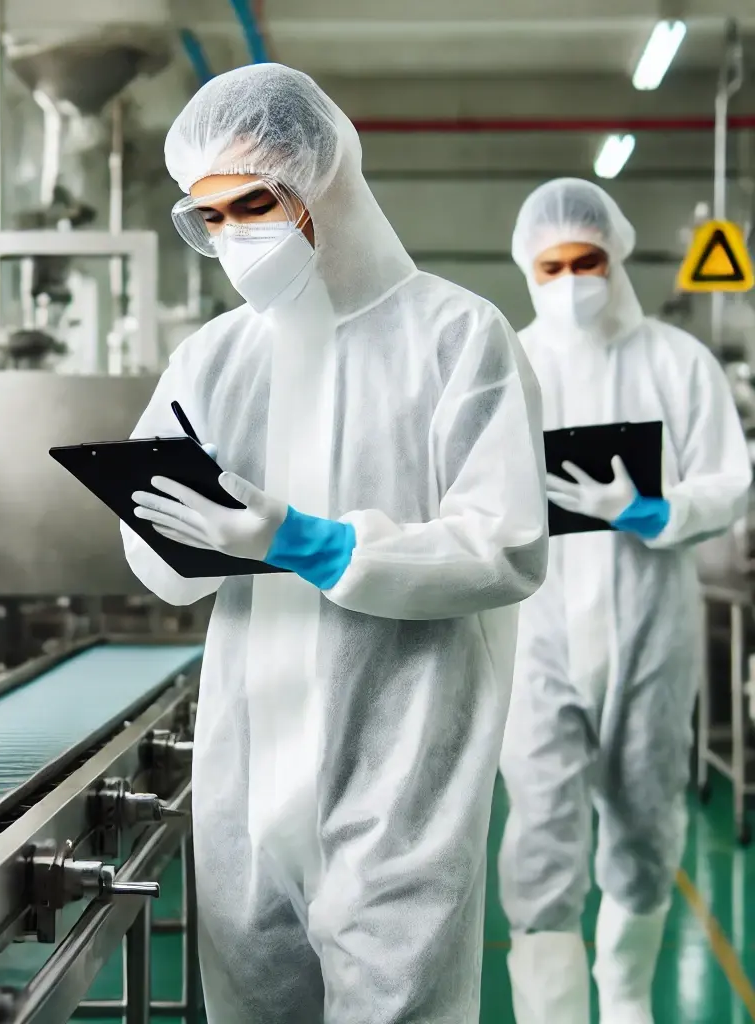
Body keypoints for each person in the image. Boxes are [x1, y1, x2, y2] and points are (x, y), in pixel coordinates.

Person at [121, 63, 548, 1023]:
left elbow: (508, 546)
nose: (235, 237)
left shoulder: (457, 338)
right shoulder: (213, 356)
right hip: (244, 782)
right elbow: (151, 552)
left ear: (325, 183)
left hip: (396, 781)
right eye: (211, 217)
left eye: (254, 203)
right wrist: (176, 536)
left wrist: (307, 541)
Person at [499, 178, 752, 1024]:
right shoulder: (510, 364)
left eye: (589, 261)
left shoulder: (675, 361)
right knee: (541, 829)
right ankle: (555, 1014)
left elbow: (731, 480)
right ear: (527, 270)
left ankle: (631, 997)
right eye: (554, 265)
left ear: (617, 257)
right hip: (537, 637)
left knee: (646, 817)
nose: (573, 280)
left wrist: (660, 509)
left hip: (653, 628)